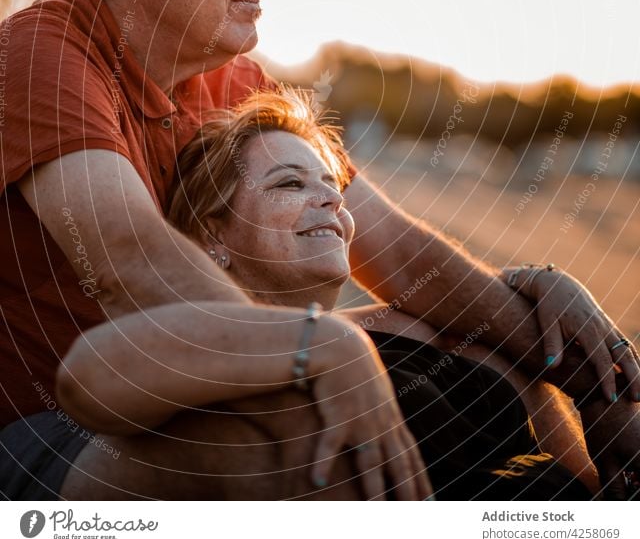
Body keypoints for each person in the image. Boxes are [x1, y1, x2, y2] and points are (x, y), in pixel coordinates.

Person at [0, 0, 638, 500]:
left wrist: (570, 353)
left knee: (486, 346)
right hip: (55, 421)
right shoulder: (41, 57)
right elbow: (132, 258)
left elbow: (393, 248)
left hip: (203, 371)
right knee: (289, 438)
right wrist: (311, 351)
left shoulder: (228, 79)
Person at [56, 87, 598, 499]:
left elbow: (534, 385)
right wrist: (322, 345)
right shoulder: (207, 350)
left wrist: (535, 282)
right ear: (213, 233)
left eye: (333, 187)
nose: (331, 201)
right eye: (290, 183)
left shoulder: (401, 328)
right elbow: (91, 376)